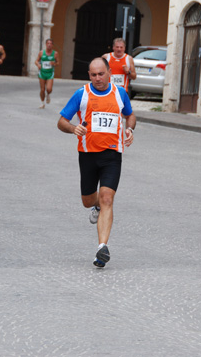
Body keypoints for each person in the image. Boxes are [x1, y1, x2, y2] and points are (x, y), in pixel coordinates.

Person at [57, 57, 136, 268]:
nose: (97, 78)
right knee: (88, 200)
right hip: (88, 154)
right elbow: (61, 121)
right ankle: (96, 207)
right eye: (93, 75)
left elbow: (130, 115)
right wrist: (73, 128)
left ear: (109, 72)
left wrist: (130, 129)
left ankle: (102, 248)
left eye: (101, 74)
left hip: (112, 155)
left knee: (107, 198)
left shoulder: (120, 94)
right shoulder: (81, 94)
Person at [35, 38, 60, 109]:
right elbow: (36, 61)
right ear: (46, 44)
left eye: (50, 44)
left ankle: (48, 94)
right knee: (42, 89)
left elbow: (58, 62)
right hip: (42, 73)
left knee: (49, 89)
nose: (49, 45)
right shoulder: (41, 53)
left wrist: (54, 63)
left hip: (50, 73)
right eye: (48, 43)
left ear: (52, 45)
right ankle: (42, 103)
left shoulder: (55, 53)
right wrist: (38, 65)